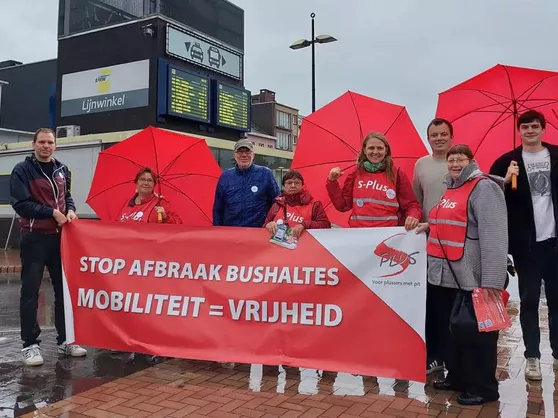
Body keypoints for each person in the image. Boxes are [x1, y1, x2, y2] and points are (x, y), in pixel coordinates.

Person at [416, 144, 508, 405]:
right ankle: (457, 376)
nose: (455, 163)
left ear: (471, 161)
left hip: (473, 276)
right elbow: (450, 221)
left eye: (460, 159)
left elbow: (495, 236)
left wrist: (491, 280)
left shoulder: (484, 187)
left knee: (478, 334)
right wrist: (429, 225)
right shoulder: (453, 187)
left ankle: (483, 387)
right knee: (453, 331)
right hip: (446, 275)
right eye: (451, 160)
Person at [489, 109, 558, 381]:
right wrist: (506, 180)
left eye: (534, 126)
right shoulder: (507, 161)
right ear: (519, 131)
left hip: (554, 243)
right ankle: (532, 357)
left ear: (543, 128)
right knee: (529, 301)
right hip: (526, 245)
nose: (529, 131)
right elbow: (490, 197)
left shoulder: (556, 155)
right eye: (525, 127)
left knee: (556, 301)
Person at [9, 128, 87, 366]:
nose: (45, 145)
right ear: (33, 144)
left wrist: (70, 210)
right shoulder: (22, 170)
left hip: (60, 239)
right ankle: (30, 345)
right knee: (30, 292)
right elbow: (21, 204)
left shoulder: (62, 170)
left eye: (50, 142)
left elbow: (67, 197)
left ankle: (66, 340)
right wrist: (52, 213)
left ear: (56, 145)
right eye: (41, 142)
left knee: (64, 291)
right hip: (34, 238)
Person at [413, 118, 454, 375]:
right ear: (428, 138)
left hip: (457, 243)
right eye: (434, 135)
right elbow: (417, 203)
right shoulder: (421, 165)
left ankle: (454, 354)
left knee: (453, 302)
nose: (438, 138)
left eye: (443, 134)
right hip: (429, 243)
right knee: (432, 300)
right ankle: (435, 355)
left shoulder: (462, 162)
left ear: (451, 136)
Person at [326, 132, 421, 230]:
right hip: (359, 234)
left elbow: (412, 205)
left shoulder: (397, 174)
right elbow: (343, 205)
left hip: (389, 235)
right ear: (364, 150)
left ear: (386, 150)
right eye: (371, 148)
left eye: (379, 148)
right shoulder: (355, 173)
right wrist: (332, 182)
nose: (375, 152)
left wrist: (413, 216)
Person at [213, 139, 280, 227]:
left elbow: (277, 202)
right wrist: (218, 231)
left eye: (248, 152)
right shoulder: (225, 176)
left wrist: (273, 222)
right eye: (240, 152)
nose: (244, 155)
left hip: (258, 232)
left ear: (253, 155)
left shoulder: (265, 173)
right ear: (234, 155)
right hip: (231, 232)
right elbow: (218, 208)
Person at [264, 170, 331, 237]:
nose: (293, 186)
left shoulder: (315, 204)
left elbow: (325, 225)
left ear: (302, 185)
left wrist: (304, 225)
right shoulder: (277, 204)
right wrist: (268, 225)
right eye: (289, 183)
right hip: (278, 245)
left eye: (297, 183)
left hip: (306, 245)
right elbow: (265, 226)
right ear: (284, 186)